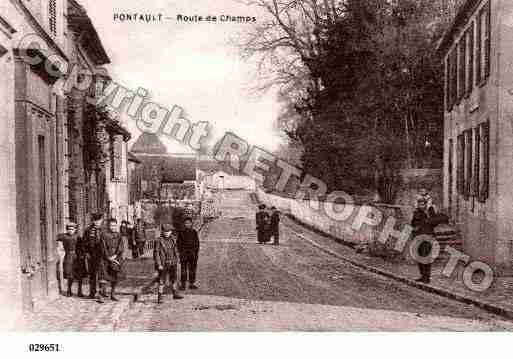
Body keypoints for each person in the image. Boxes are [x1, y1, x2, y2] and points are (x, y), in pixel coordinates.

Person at [411, 197, 438, 284]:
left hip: (428, 237)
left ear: (426, 205)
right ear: (418, 205)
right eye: (420, 204)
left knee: (426, 257)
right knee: (419, 257)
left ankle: (427, 277)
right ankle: (422, 276)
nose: (422, 206)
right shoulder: (416, 213)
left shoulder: (430, 212)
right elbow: (413, 224)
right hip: (419, 238)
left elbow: (434, 223)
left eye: (423, 204)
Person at [153, 223, 183, 303]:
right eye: (165, 231)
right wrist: (159, 264)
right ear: (162, 231)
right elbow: (156, 253)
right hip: (163, 263)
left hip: (172, 262)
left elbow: (176, 250)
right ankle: (160, 297)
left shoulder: (173, 239)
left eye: (169, 231)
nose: (167, 233)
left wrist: (177, 259)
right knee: (161, 281)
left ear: (171, 231)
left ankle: (175, 293)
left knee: (174, 279)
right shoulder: (158, 240)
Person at [56, 223, 87, 297]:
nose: (70, 231)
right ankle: (69, 290)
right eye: (69, 229)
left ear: (75, 229)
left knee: (79, 275)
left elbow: (82, 246)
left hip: (77, 257)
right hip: (68, 256)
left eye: (72, 229)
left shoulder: (78, 237)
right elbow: (56, 238)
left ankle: (80, 291)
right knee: (70, 274)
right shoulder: (64, 236)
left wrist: (82, 255)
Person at [99, 218, 125, 302]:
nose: (112, 227)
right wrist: (108, 257)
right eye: (111, 225)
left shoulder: (119, 235)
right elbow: (103, 247)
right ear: (108, 226)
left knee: (114, 276)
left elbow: (121, 247)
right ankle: (102, 295)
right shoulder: (104, 235)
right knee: (104, 277)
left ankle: (113, 294)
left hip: (116, 258)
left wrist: (116, 255)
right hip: (105, 259)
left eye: (114, 225)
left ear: (116, 226)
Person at [83, 213, 105, 300]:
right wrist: (86, 253)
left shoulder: (104, 230)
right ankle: (92, 292)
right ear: (93, 221)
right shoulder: (88, 230)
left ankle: (101, 293)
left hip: (102, 255)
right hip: (92, 255)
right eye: (95, 221)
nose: (97, 222)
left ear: (101, 221)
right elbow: (84, 242)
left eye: (98, 221)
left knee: (102, 274)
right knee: (92, 274)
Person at [177, 217, 200, 290]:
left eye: (189, 223)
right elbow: (178, 243)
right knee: (183, 270)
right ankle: (183, 284)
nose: (187, 224)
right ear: (184, 224)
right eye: (186, 223)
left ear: (191, 224)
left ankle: (191, 283)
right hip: (184, 254)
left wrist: (195, 252)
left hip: (192, 254)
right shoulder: (181, 233)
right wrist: (181, 252)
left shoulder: (194, 232)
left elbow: (197, 243)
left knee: (192, 269)